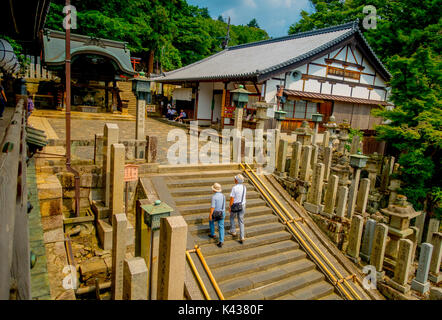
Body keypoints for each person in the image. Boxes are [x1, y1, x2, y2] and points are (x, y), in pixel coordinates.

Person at [229, 174, 247, 244]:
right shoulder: (244, 187)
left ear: (236, 180)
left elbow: (232, 198)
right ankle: (242, 236)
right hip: (242, 205)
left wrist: (230, 207)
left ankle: (233, 231)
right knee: (241, 221)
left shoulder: (234, 188)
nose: (234, 179)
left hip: (235, 205)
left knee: (232, 217)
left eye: (235, 179)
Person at [209, 183, 225, 248]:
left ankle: (213, 234)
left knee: (211, 221)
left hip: (215, 213)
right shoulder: (223, 196)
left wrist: (210, 214)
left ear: (214, 190)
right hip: (222, 212)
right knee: (221, 226)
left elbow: (213, 207)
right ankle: (221, 241)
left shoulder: (214, 197)